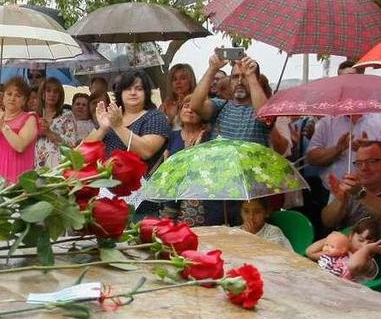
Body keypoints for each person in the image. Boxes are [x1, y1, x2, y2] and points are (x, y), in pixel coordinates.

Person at [87, 69, 170, 174]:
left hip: (142, 186)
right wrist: (103, 128)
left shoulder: (155, 117)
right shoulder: (112, 115)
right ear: (120, 92)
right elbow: (83, 152)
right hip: (105, 184)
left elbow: (146, 151)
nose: (133, 93)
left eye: (139, 89)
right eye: (127, 89)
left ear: (146, 93)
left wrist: (118, 127)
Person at [160, 95, 224, 226]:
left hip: (199, 201)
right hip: (172, 200)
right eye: (186, 106)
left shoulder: (210, 138)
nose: (189, 110)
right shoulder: (172, 136)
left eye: (195, 108)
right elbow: (167, 167)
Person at [321, 141, 381, 232]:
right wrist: (339, 200)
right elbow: (328, 222)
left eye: (371, 161)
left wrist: (360, 193)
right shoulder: (351, 188)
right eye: (359, 163)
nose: (364, 168)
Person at [307, 114, 381, 193]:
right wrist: (337, 149)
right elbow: (311, 158)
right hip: (337, 194)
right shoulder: (326, 123)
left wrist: (373, 148)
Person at [188, 51, 270, 146]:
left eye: (244, 77)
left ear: (257, 80)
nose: (239, 82)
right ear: (230, 82)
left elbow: (264, 116)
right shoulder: (220, 106)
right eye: (235, 77)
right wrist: (212, 69)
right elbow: (195, 105)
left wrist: (251, 75)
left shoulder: (261, 108)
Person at [0, 76, 38, 183]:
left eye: (18, 95)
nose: (12, 98)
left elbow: (20, 146)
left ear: (24, 100)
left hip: (15, 177)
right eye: (9, 94)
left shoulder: (30, 118)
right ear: (3, 97)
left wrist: (4, 126)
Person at [306, 219, 381, 283]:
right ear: (351, 236)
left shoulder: (368, 263)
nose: (363, 245)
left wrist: (366, 249)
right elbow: (310, 252)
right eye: (360, 240)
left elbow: (352, 265)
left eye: (370, 245)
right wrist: (332, 238)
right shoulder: (340, 252)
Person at [35, 77, 68, 168]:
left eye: (56, 92)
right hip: (36, 164)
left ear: (60, 95)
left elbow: (71, 145)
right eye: (48, 91)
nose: (52, 94)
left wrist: (49, 133)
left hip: (57, 164)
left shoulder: (67, 115)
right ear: (42, 94)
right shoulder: (34, 116)